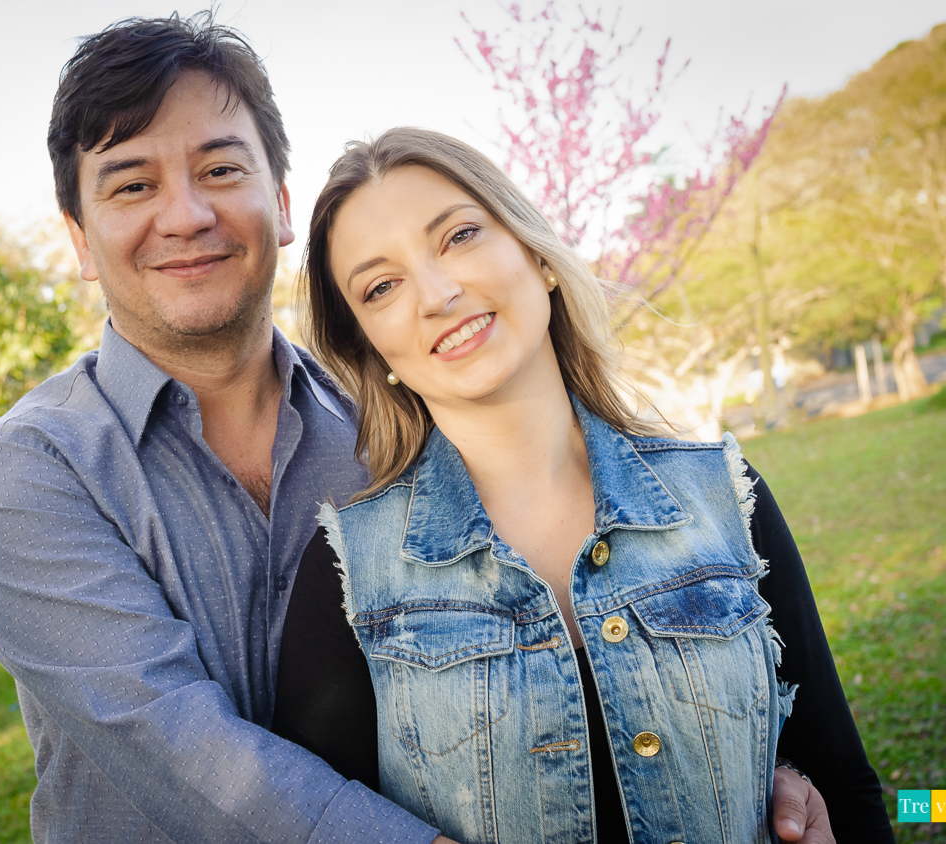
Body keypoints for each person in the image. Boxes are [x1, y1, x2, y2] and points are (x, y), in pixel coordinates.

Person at [0, 11, 855, 844]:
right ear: (79, 239)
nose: (188, 214)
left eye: (221, 169)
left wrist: (736, 774)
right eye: (132, 184)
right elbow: (174, 742)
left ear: (278, 204)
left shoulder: (412, 443)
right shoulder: (32, 471)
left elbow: (863, 786)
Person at [273, 127, 894, 843]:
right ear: (368, 346)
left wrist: (815, 789)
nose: (438, 294)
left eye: (461, 236)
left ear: (537, 257)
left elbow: (853, 788)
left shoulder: (724, 496)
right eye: (381, 287)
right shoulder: (349, 570)